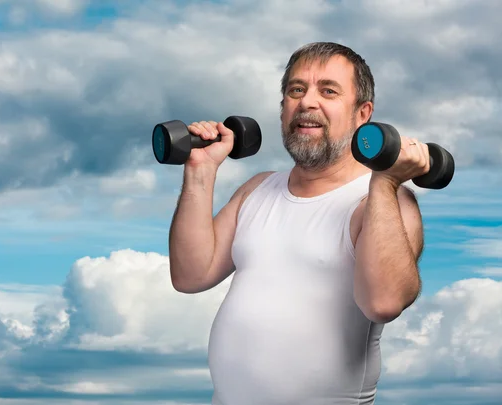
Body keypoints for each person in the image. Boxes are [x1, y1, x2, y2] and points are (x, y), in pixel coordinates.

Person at [168, 42, 427, 405]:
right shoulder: (256, 189)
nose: (307, 102)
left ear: (362, 113)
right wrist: (200, 172)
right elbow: (190, 276)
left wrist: (384, 180)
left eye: (328, 91)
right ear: (282, 110)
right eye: (296, 90)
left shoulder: (381, 201)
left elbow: (384, 303)